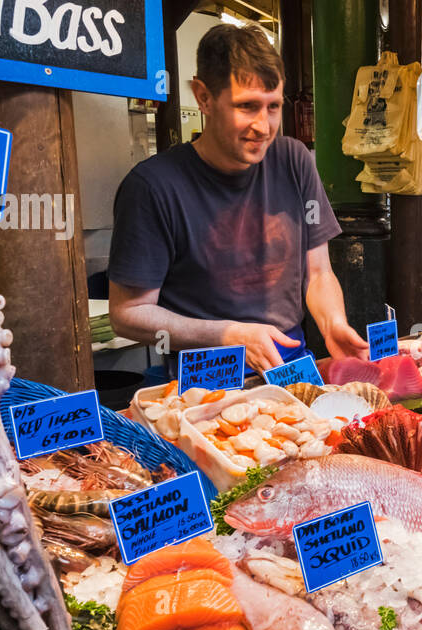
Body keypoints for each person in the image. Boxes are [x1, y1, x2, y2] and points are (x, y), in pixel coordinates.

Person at [108, 22, 367, 377]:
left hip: (291, 365)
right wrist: (228, 335)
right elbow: (128, 314)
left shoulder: (294, 160)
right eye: (247, 107)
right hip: (207, 375)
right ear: (203, 97)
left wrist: (333, 322)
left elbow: (318, 273)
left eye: (273, 107)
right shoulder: (152, 187)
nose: (263, 126)